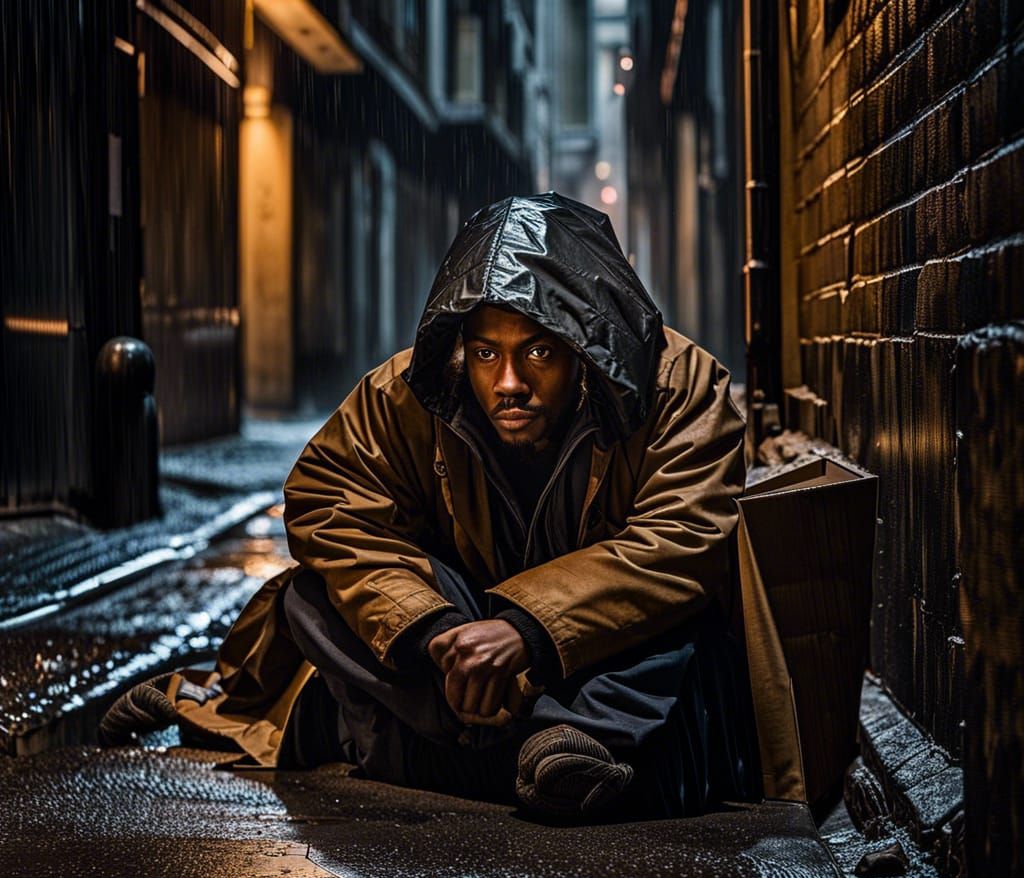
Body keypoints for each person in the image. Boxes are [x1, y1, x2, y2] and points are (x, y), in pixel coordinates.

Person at [100, 193, 760, 820]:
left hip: (598, 667)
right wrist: (435, 633)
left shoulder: (679, 389)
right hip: (462, 666)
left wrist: (527, 632)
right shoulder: (412, 393)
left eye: (538, 352)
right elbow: (330, 502)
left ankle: (497, 745)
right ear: (458, 354)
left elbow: (682, 540)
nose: (510, 383)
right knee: (312, 598)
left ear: (585, 349)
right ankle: (525, 753)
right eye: (486, 354)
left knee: (680, 629)